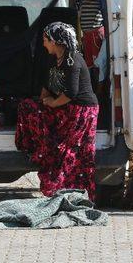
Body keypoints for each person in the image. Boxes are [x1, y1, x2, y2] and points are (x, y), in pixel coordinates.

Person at [15, 22, 99, 200]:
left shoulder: (73, 60)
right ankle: (40, 147)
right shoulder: (53, 59)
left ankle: (71, 193)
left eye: (46, 40)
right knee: (27, 106)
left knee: (69, 152)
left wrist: (52, 104)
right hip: (64, 107)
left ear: (56, 41)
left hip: (80, 112)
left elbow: (71, 93)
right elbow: (47, 83)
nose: (44, 43)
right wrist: (43, 100)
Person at [75, 0, 105, 68]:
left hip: (95, 33)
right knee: (89, 63)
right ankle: (92, 82)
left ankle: (99, 83)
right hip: (87, 35)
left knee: (98, 63)